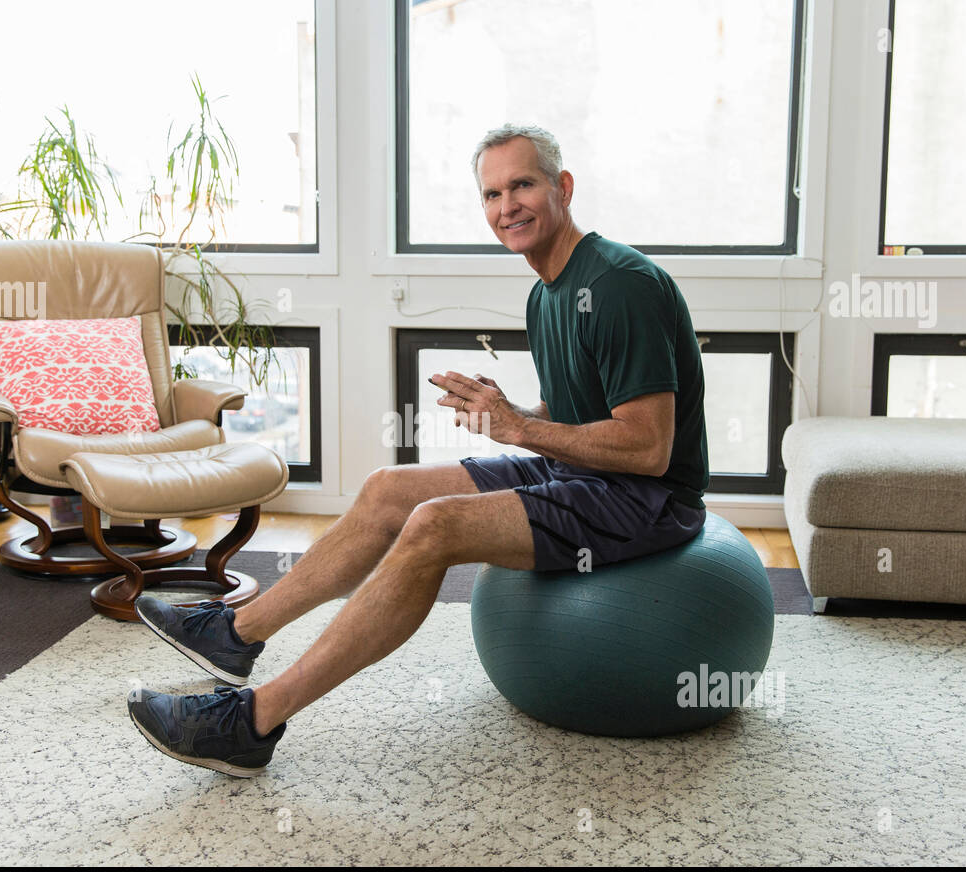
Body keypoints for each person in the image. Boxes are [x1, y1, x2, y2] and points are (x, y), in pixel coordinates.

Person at [127, 123, 710, 776]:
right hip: (580, 472)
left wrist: (518, 429)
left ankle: (252, 721)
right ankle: (234, 635)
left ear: (562, 187)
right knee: (387, 490)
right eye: (492, 194)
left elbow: (648, 447)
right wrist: (516, 415)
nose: (506, 206)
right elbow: (584, 415)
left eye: (523, 185)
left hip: (647, 500)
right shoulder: (547, 292)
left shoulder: (620, 285)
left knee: (433, 524)